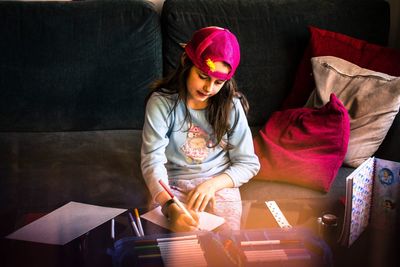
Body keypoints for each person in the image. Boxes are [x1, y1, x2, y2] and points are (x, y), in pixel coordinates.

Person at [141, 26, 260, 232]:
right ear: (186, 63)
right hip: (172, 185)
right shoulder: (161, 102)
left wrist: (212, 185)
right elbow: (152, 160)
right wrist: (169, 205)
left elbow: (248, 163)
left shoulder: (231, 106)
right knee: (167, 246)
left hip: (219, 185)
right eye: (203, 76)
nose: (209, 88)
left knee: (225, 245)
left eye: (218, 82)